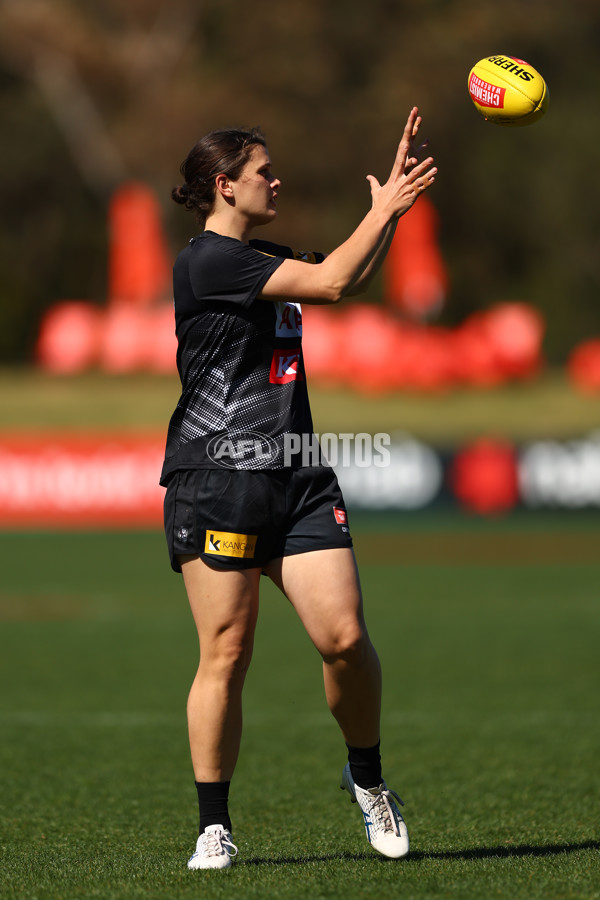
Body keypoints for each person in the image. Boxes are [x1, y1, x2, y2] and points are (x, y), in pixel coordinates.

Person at [160, 108, 437, 870]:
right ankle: (213, 824)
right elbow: (336, 279)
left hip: (300, 479)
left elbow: (341, 276)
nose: (275, 180)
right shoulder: (210, 264)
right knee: (228, 651)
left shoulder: (267, 258)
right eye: (262, 172)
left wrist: (389, 216)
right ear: (224, 185)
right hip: (217, 481)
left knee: (344, 638)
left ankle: (369, 779)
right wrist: (380, 212)